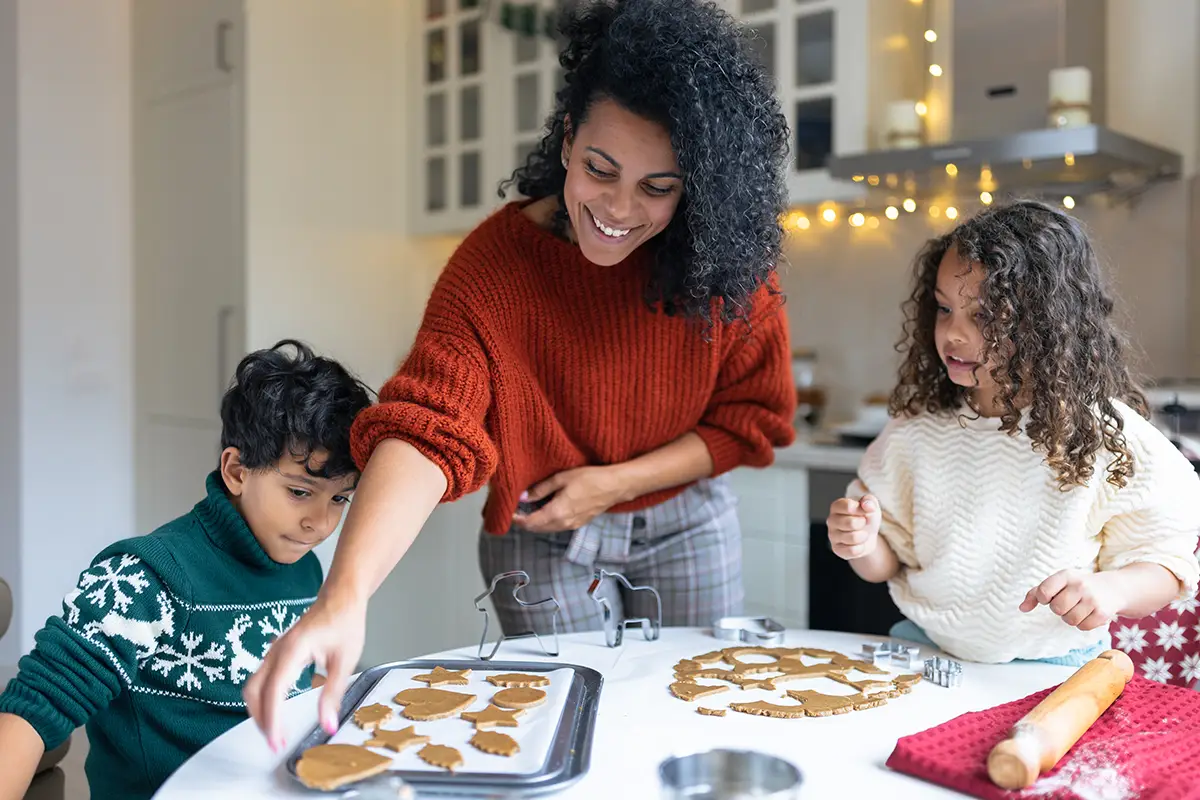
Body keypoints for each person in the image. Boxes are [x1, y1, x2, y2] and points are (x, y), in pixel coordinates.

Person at [243, 0, 796, 749]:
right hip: (541, 537)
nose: (619, 208)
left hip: (687, 521)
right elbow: (427, 428)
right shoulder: (494, 270)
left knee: (697, 722)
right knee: (572, 730)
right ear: (568, 139)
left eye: (656, 187)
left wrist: (614, 483)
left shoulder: (730, 275)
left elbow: (750, 421)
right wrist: (345, 595)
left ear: (693, 186)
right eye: (601, 168)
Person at [827, 200, 1200, 665]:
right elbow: (888, 562)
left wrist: (1113, 588)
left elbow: (1166, 563)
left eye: (984, 316)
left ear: (1046, 322)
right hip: (927, 649)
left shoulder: (1103, 433)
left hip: (1057, 662)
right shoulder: (916, 431)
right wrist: (861, 544)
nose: (953, 333)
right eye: (944, 309)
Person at [0, 340, 372, 800]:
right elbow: (34, 711)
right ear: (236, 471)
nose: (321, 523)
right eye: (299, 492)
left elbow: (283, 685)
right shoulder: (143, 576)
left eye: (339, 498)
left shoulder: (306, 572)